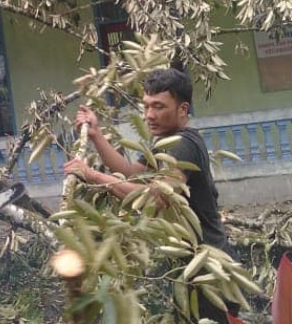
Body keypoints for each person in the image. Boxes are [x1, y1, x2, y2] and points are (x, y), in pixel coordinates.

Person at [63, 68, 239, 324]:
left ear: (183, 109)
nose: (149, 115)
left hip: (211, 272)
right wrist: (96, 136)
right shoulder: (166, 142)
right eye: (146, 106)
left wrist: (92, 175)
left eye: (158, 106)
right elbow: (132, 174)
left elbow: (154, 197)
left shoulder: (183, 144)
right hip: (190, 269)